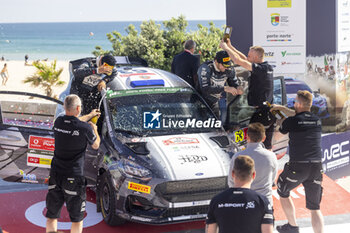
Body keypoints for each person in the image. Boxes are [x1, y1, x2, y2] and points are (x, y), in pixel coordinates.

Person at [46, 94, 101, 233]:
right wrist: (95, 130)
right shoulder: (85, 129)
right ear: (78, 108)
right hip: (74, 177)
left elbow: (73, 123)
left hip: (55, 175)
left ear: (65, 107)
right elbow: (96, 145)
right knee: (77, 219)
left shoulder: (58, 122)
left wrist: (88, 115)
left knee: (52, 216)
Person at [271, 90, 324, 233]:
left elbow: (275, 138)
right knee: (315, 207)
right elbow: (301, 116)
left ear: (299, 104)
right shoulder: (317, 120)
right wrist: (283, 109)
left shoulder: (291, 122)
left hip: (298, 166)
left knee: (282, 187)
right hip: (317, 166)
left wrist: (279, 122)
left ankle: (292, 227)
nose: (293, 104)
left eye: (295, 102)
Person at [220, 40, 275, 150]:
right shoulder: (266, 67)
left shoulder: (260, 69)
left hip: (262, 114)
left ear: (256, 57)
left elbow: (238, 60)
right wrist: (231, 46)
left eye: (250, 55)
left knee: (251, 141)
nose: (248, 57)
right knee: (267, 144)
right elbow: (244, 59)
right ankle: (269, 162)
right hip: (268, 111)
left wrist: (225, 47)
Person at [206, 155, 274, 233]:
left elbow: (211, 231)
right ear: (254, 175)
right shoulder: (262, 201)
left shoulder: (216, 200)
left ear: (232, 174)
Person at [228, 123, 278, 206]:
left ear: (247, 137)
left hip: (243, 200)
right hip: (264, 201)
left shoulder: (237, 156)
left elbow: (231, 180)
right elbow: (273, 179)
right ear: (264, 138)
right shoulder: (271, 156)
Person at [197, 50, 243, 119]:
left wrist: (238, 87)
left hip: (214, 103)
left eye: (228, 65)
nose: (226, 68)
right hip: (200, 103)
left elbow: (233, 82)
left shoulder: (229, 68)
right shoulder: (206, 67)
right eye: (224, 65)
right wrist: (224, 88)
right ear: (216, 62)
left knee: (217, 127)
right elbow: (205, 88)